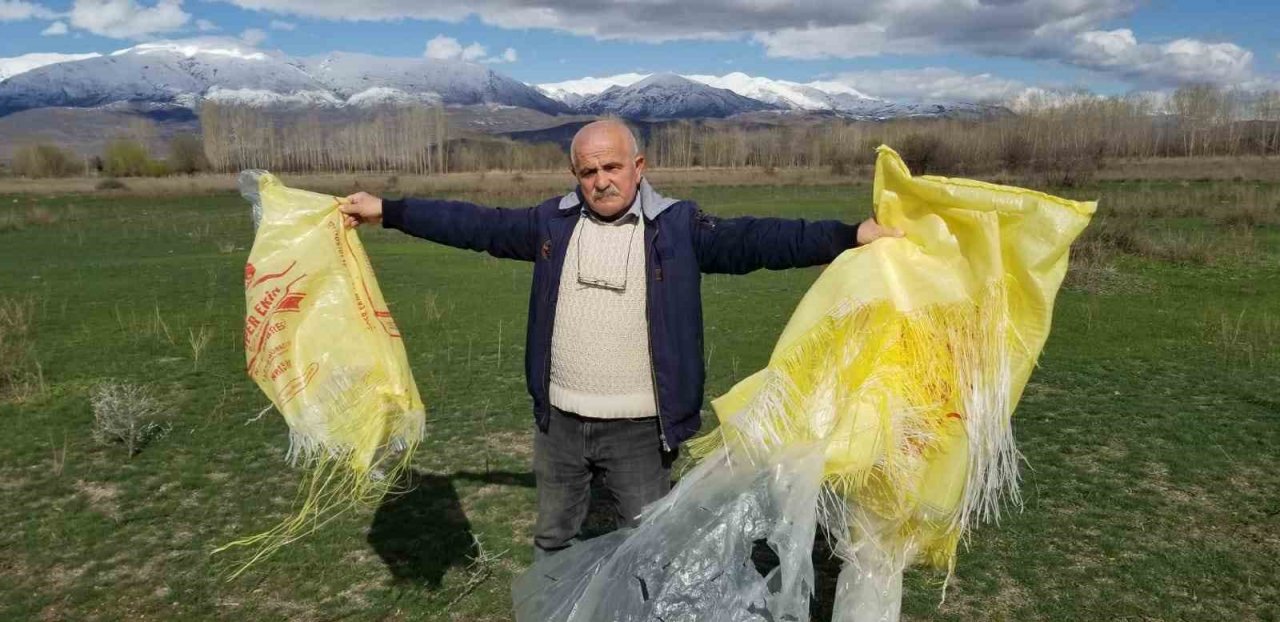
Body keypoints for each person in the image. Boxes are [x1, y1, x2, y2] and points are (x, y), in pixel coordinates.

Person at [339, 119, 902, 560]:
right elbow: (474, 224)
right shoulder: (551, 225)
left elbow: (760, 239)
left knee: (650, 546)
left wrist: (850, 235)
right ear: (574, 175)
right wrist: (389, 211)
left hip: (640, 429)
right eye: (588, 172)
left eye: (612, 166)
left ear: (638, 166)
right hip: (559, 423)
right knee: (553, 539)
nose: (601, 180)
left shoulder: (678, 227)